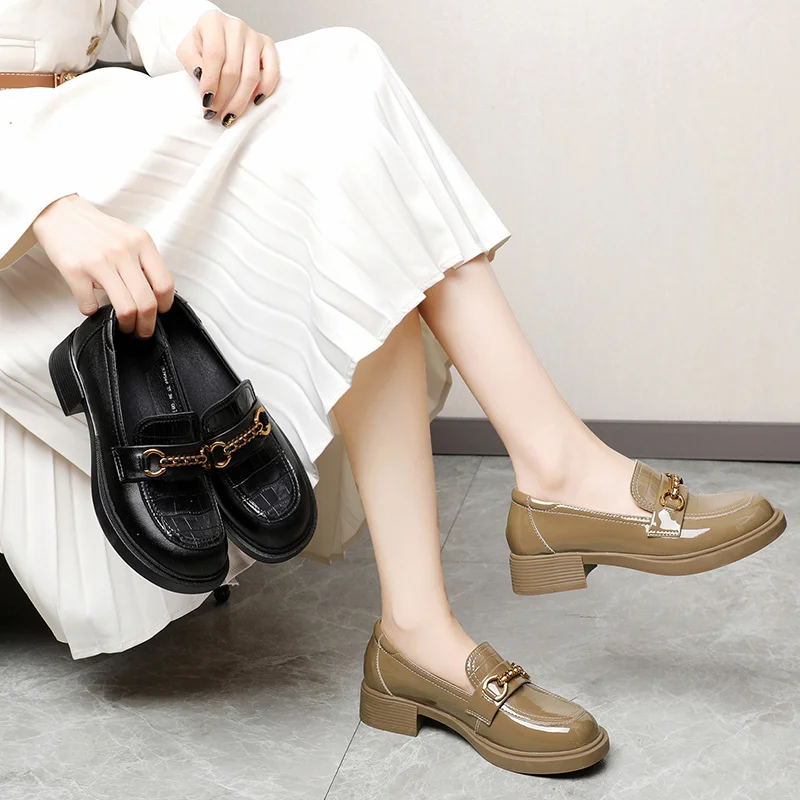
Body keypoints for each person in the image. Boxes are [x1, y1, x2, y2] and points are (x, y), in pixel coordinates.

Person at [0, 0, 786, 774]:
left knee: (348, 105)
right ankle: (540, 496)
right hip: (20, 180)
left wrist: (195, 28)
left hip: (91, 119)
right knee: (344, 99)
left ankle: (435, 611)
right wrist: (41, 206)